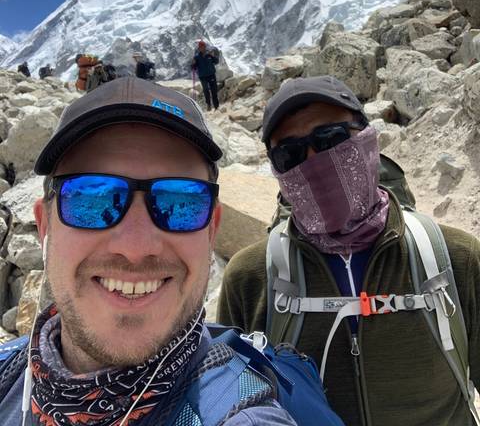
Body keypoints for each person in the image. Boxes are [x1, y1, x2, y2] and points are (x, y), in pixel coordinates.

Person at [0, 77, 297, 426]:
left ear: (212, 229)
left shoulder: (241, 415)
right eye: (92, 198)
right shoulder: (8, 371)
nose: (135, 248)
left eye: (180, 201)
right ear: (45, 226)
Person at [217, 75, 480, 426]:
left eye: (331, 139)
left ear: (369, 139)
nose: (313, 161)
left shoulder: (453, 258)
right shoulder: (250, 279)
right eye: (290, 154)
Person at [191, 40, 219, 111]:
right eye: (201, 47)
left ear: (205, 47)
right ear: (199, 48)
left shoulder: (209, 55)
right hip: (203, 76)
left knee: (214, 91)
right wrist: (193, 64)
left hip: (211, 75)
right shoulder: (197, 57)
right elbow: (193, 67)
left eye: (203, 46)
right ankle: (209, 105)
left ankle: (216, 106)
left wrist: (213, 56)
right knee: (206, 90)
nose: (202, 48)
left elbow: (216, 62)